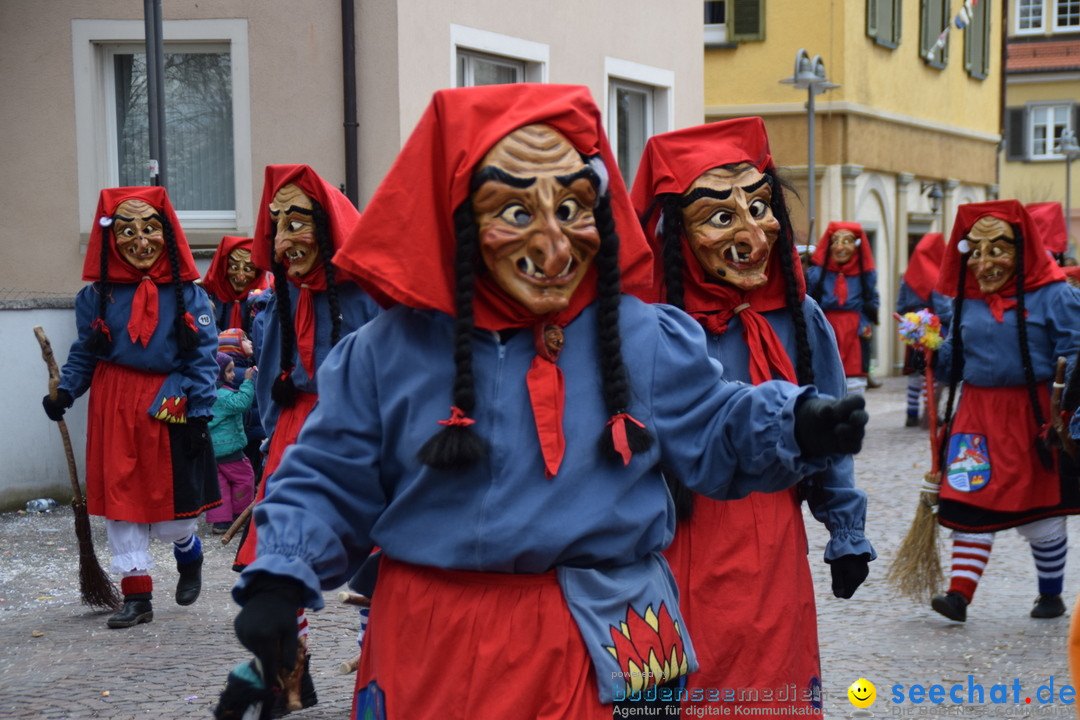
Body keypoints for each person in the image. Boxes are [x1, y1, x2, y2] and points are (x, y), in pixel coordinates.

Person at [226, 84, 867, 719]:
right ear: (457, 216)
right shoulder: (388, 352)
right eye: (515, 211)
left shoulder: (641, 336)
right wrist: (281, 578)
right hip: (440, 651)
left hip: (616, 644)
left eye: (571, 208)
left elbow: (714, 419)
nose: (555, 246)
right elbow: (329, 477)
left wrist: (797, 420)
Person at [630, 116, 875, 714]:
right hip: (669, 538)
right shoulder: (640, 328)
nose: (752, 233)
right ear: (673, 233)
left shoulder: (800, 317)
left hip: (769, 541)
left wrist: (845, 532)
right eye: (720, 216)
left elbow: (831, 430)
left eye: (760, 208)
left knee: (765, 691)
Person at [232, 164, 382, 714]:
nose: (286, 238)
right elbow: (273, 379)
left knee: (378, 565)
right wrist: (273, 451)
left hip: (364, 431)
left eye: (299, 222)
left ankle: (378, 667)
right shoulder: (279, 301)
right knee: (276, 556)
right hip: (297, 433)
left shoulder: (369, 295)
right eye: (277, 225)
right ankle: (290, 679)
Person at [41, 186, 220, 628]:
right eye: (126, 230)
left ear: (167, 233)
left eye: (150, 228)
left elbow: (203, 358)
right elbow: (86, 351)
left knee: (170, 513)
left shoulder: (189, 296)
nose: (140, 240)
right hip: (113, 404)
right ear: (110, 240)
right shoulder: (95, 297)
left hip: (169, 404)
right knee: (122, 501)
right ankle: (137, 598)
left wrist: (199, 413)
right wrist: (66, 392)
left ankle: (187, 551)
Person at [929, 200, 1080, 623]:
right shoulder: (965, 301)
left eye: (997, 249)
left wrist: (1065, 409)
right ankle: (959, 595)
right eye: (974, 252)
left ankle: (1050, 594)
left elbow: (1074, 351)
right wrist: (934, 349)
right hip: (977, 413)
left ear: (1022, 249)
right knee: (970, 491)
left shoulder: (1055, 295)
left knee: (1039, 509)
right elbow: (954, 360)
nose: (984, 262)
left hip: (1032, 413)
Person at [807, 222, 880, 393]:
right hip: (827, 325)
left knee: (855, 378)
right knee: (826, 372)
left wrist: (865, 323)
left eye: (846, 241)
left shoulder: (866, 274)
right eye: (835, 241)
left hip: (854, 329)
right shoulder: (818, 273)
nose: (840, 247)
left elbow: (872, 298)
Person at [896, 232, 952, 427]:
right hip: (934, 327)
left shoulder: (907, 277)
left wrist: (909, 322)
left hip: (913, 327)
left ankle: (911, 413)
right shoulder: (936, 276)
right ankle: (930, 414)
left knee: (915, 370)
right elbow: (944, 309)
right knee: (932, 370)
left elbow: (900, 305)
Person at [207, 352, 256, 534]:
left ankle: (220, 522)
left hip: (213, 451)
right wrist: (248, 382)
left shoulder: (206, 393)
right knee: (245, 478)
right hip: (231, 450)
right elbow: (243, 403)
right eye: (229, 371)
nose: (233, 375)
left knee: (219, 485)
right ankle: (239, 514)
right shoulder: (224, 396)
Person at [218, 327, 266, 483]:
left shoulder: (241, 369)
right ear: (235, 347)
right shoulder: (241, 373)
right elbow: (248, 400)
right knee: (250, 466)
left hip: (248, 429)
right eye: (244, 339)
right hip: (248, 429)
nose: (250, 341)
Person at [201, 235, 269, 334]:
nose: (240, 276)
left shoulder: (263, 301)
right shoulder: (210, 298)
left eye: (248, 269)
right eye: (234, 267)